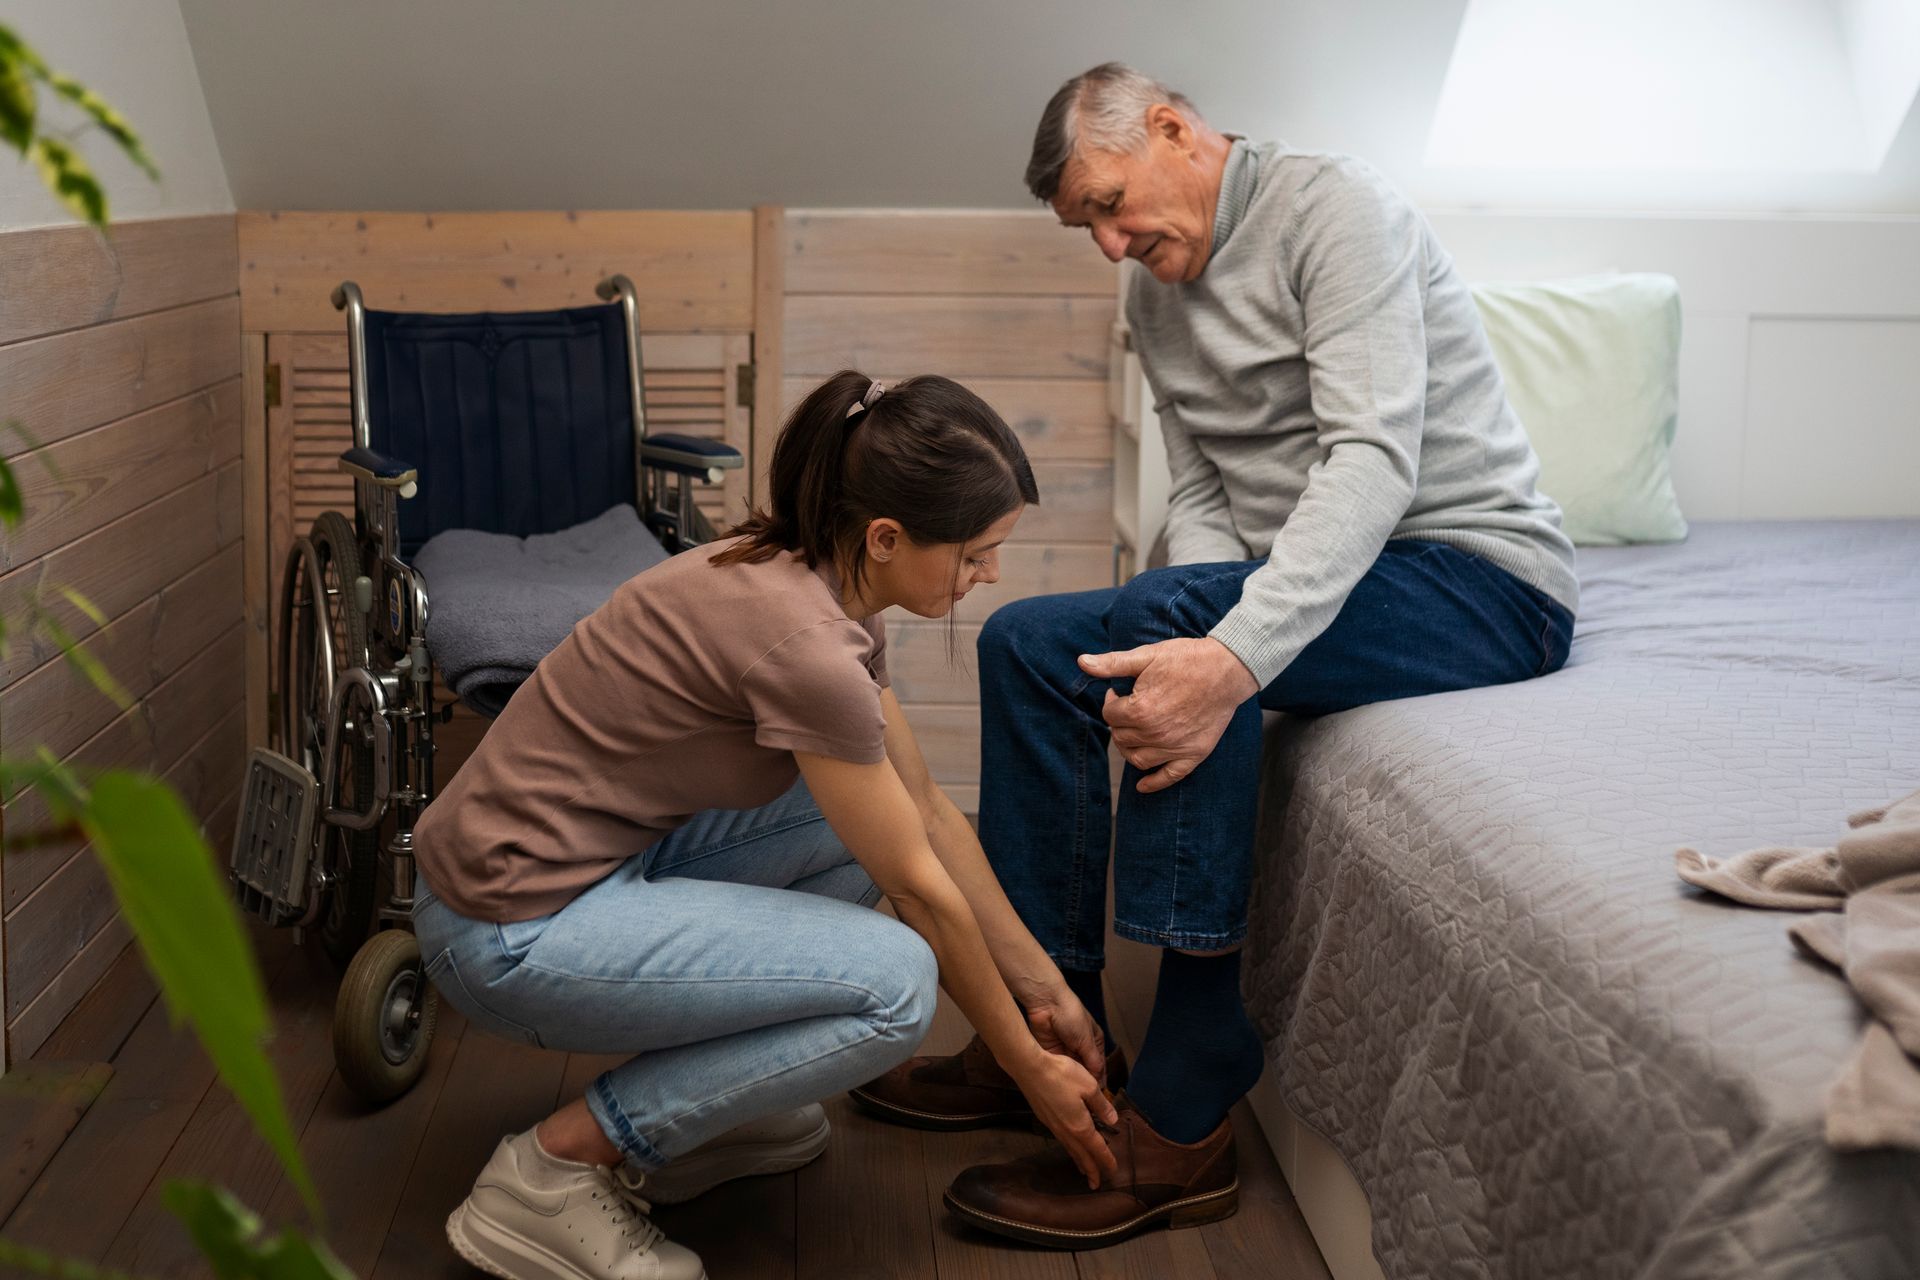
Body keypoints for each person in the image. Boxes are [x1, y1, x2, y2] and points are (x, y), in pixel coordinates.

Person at [857, 63, 1581, 1249]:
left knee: (1173, 651)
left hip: (1470, 578)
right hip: (1325, 578)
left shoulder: (1339, 212)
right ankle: (1053, 1033)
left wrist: (1226, 652)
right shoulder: (1152, 297)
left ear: (1172, 128)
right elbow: (1204, 491)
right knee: (1027, 638)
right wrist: (1184, 623)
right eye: (1084, 224)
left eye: (1108, 201)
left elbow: (1370, 465)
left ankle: (1186, 1109)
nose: (1107, 241)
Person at [411, 371, 1120, 1280]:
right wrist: (1026, 1065)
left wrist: (1042, 989)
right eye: (976, 554)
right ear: (887, 537)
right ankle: (554, 1170)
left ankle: (718, 1110)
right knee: (899, 985)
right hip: (503, 927)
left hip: (571, 867)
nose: (991, 575)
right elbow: (916, 890)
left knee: (858, 822)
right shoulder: (807, 645)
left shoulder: (815, 581)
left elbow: (928, 814)